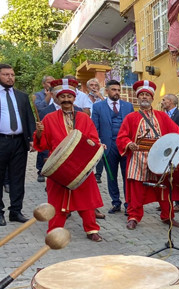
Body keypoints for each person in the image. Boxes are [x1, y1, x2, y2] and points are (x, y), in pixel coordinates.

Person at [33, 79, 104, 241]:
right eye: (62, 96)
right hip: (57, 166)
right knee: (57, 200)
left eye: (69, 96)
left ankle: (92, 230)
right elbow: (42, 143)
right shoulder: (49, 118)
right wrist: (38, 132)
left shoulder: (85, 118)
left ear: (74, 98)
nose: (66, 99)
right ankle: (55, 230)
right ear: (57, 99)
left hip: (81, 166)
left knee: (86, 199)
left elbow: (93, 138)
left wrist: (95, 146)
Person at [116, 80, 179, 230]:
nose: (144, 97)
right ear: (138, 98)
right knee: (136, 189)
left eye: (147, 95)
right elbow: (121, 137)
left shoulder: (162, 116)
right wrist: (128, 143)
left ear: (152, 98)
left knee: (163, 187)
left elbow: (177, 132)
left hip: (159, 158)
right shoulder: (130, 117)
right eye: (142, 95)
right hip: (138, 158)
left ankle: (167, 216)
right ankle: (133, 217)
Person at [0, 63, 36, 227]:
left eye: (12, 75)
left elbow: (29, 117)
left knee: (17, 178)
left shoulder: (21, 96)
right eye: (6, 75)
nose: (10, 78)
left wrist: (32, 138)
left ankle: (15, 211)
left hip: (19, 142)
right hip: (1, 141)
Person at [92, 79, 133, 215]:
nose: (117, 92)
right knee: (111, 176)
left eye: (118, 90)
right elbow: (94, 128)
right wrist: (98, 143)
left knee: (127, 176)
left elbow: (133, 127)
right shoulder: (98, 107)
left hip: (125, 146)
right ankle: (116, 203)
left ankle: (128, 204)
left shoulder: (128, 106)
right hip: (108, 146)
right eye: (114, 90)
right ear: (107, 91)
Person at [161, 93, 179, 212]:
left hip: (176, 150)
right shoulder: (162, 115)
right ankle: (167, 201)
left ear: (171, 102)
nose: (162, 102)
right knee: (166, 176)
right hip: (165, 150)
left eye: (164, 100)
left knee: (177, 176)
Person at [33, 75, 54, 182]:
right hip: (43, 123)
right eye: (48, 82)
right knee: (43, 148)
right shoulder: (38, 95)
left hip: (54, 122)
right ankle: (40, 170)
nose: (51, 84)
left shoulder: (57, 92)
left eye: (53, 82)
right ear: (43, 84)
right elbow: (39, 108)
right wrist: (48, 96)